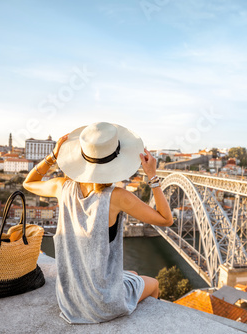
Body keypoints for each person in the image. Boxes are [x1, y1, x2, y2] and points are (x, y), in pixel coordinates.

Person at [23, 122, 173, 324]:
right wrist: (152, 177)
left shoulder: (62, 187)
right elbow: (166, 219)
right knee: (153, 283)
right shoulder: (117, 197)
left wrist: (53, 156)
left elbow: (29, 183)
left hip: (69, 298)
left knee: (133, 274)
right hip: (103, 303)